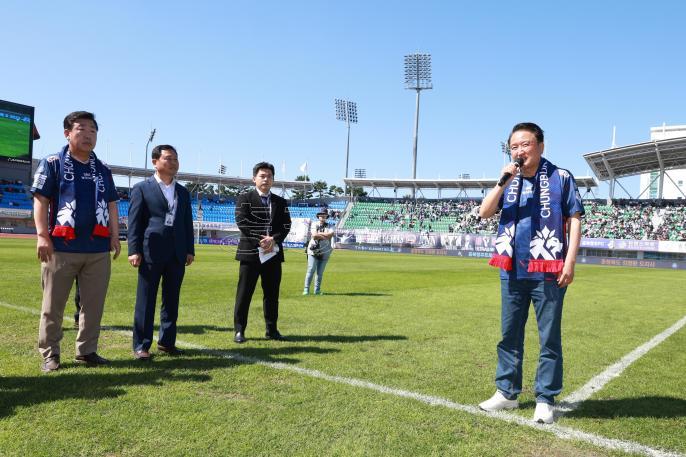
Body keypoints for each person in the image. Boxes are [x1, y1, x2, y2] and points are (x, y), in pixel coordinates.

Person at [477, 122, 584, 424]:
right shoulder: (508, 180)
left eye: (525, 144)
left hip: (548, 269)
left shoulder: (560, 177)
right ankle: (507, 393)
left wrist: (570, 261)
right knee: (509, 334)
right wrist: (502, 182)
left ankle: (545, 398)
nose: (519, 150)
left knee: (549, 336)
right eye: (514, 146)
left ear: (540, 146)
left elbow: (574, 219)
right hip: (511, 269)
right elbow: (484, 213)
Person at [31, 111, 120, 372]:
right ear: (67, 133)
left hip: (97, 248)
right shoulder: (53, 163)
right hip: (61, 247)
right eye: (81, 129)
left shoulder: (103, 169)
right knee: (53, 305)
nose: (88, 135)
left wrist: (115, 235)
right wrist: (41, 235)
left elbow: (112, 204)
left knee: (93, 306)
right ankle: (50, 353)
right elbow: (41, 199)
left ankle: (87, 350)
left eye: (93, 131)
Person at [127, 145, 195, 360]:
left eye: (176, 159)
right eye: (168, 158)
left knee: (171, 300)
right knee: (146, 301)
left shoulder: (183, 192)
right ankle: (141, 345)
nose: (173, 162)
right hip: (150, 251)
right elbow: (134, 221)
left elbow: (186, 222)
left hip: (176, 253)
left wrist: (189, 249)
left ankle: (167, 342)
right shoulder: (141, 188)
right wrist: (133, 250)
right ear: (155, 161)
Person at [232, 162, 291, 343]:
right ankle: (239, 331)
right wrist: (261, 240)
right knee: (244, 293)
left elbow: (286, 225)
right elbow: (242, 222)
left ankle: (271, 329)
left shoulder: (280, 202)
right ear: (254, 179)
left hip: (273, 254)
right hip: (250, 253)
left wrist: (273, 239)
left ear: (273, 179)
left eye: (269, 176)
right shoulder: (245, 198)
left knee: (272, 294)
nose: (266, 179)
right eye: (262, 176)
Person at [303, 209, 334, 295]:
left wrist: (320, 234)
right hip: (313, 250)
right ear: (318, 216)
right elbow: (314, 236)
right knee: (311, 269)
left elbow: (330, 235)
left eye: (324, 215)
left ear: (327, 216)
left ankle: (317, 290)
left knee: (320, 273)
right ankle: (306, 289)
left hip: (325, 251)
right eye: (321, 215)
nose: (323, 216)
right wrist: (325, 236)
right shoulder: (314, 224)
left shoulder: (330, 225)